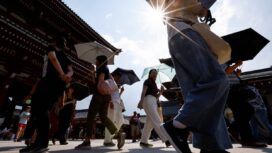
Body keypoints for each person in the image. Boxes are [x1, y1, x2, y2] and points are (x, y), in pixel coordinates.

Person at [148, 0, 232, 153]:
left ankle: (209, 146)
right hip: (185, 30)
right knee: (216, 80)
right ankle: (177, 126)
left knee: (197, 91)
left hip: (177, 33)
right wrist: (202, 7)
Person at [19, 37, 73, 153]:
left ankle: (41, 144)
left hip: (48, 82)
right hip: (59, 87)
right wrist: (66, 76)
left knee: (39, 111)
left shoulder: (51, 48)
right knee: (43, 111)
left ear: (54, 42)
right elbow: (71, 71)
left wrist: (61, 73)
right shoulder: (66, 57)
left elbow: (53, 58)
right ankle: (39, 142)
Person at [75, 55, 125, 150]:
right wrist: (92, 75)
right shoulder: (107, 70)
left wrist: (98, 90)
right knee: (104, 118)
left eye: (96, 60)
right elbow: (107, 84)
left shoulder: (101, 68)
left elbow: (100, 83)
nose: (95, 61)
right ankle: (118, 135)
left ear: (99, 61)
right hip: (106, 96)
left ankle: (87, 141)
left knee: (90, 116)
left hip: (99, 95)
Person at [224, 61, 267, 147]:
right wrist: (236, 65)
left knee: (247, 111)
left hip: (236, 90)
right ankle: (247, 139)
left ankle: (235, 129)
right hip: (231, 91)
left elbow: (229, 74)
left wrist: (237, 73)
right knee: (244, 112)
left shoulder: (227, 64)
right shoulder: (220, 61)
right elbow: (225, 72)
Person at [137, 69, 170, 147]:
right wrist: (141, 101)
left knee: (150, 123)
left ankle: (143, 141)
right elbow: (144, 91)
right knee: (156, 119)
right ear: (150, 74)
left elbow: (156, 97)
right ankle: (167, 139)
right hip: (147, 100)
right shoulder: (147, 81)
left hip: (154, 101)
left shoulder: (154, 84)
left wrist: (161, 92)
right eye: (153, 73)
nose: (155, 74)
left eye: (156, 73)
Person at [103, 72, 126, 149]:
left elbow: (116, 95)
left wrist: (121, 91)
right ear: (114, 76)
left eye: (119, 77)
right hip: (112, 103)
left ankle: (114, 135)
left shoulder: (116, 84)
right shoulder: (109, 80)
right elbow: (107, 92)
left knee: (121, 121)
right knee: (111, 121)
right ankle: (107, 140)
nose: (119, 79)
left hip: (118, 103)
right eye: (118, 77)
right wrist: (110, 101)